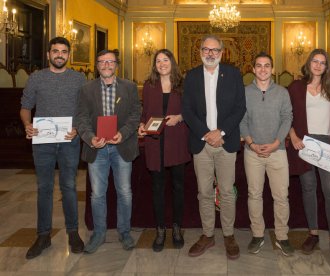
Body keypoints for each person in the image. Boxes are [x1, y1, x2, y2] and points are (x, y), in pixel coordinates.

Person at [20, 37, 85, 259]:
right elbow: (25, 106)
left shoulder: (79, 78)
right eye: (55, 51)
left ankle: (73, 233)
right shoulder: (36, 78)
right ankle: (43, 235)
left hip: (69, 140)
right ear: (48, 54)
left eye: (64, 51)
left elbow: (84, 109)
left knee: (69, 186)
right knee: (44, 188)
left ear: (69, 55)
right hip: (42, 142)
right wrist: (28, 125)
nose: (59, 55)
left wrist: (77, 127)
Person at [182, 35, 246, 260]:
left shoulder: (233, 74)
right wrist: (206, 134)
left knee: (227, 192)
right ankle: (208, 235)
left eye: (214, 50)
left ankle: (229, 235)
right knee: (204, 193)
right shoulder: (191, 76)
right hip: (201, 145)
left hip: (226, 143)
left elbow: (240, 108)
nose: (210, 53)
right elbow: (187, 110)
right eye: (206, 49)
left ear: (222, 52)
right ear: (200, 51)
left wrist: (221, 132)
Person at [76, 49, 141, 254]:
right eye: (102, 62)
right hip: (97, 149)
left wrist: (123, 133)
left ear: (116, 65)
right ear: (97, 65)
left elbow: (135, 114)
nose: (106, 65)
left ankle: (124, 232)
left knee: (125, 192)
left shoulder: (130, 87)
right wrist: (89, 138)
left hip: (122, 146)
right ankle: (99, 233)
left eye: (110, 62)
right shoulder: (86, 89)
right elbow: (81, 118)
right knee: (97, 194)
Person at [287, 49, 330, 264]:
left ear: (326, 66)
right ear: (308, 63)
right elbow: (287, 115)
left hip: (327, 144)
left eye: (322, 62)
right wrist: (292, 136)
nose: (318, 65)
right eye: (315, 61)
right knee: (309, 188)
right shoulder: (295, 87)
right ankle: (313, 233)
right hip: (305, 143)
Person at [239, 52, 294, 256]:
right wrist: (252, 144)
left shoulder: (282, 92)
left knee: (281, 196)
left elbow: (287, 118)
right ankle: (257, 234)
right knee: (254, 194)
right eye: (259, 65)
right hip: (252, 152)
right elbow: (241, 120)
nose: (263, 69)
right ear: (253, 69)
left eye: (267, 65)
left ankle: (282, 236)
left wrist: (276, 143)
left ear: (272, 69)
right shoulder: (244, 92)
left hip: (277, 151)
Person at [138, 49, 191, 252]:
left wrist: (180, 117)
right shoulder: (149, 86)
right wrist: (141, 125)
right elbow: (145, 113)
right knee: (157, 189)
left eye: (165, 60)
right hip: (154, 142)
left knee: (178, 187)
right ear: (155, 65)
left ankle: (177, 228)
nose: (162, 64)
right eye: (158, 60)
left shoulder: (183, 85)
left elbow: (194, 109)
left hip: (177, 142)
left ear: (172, 62)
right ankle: (160, 230)